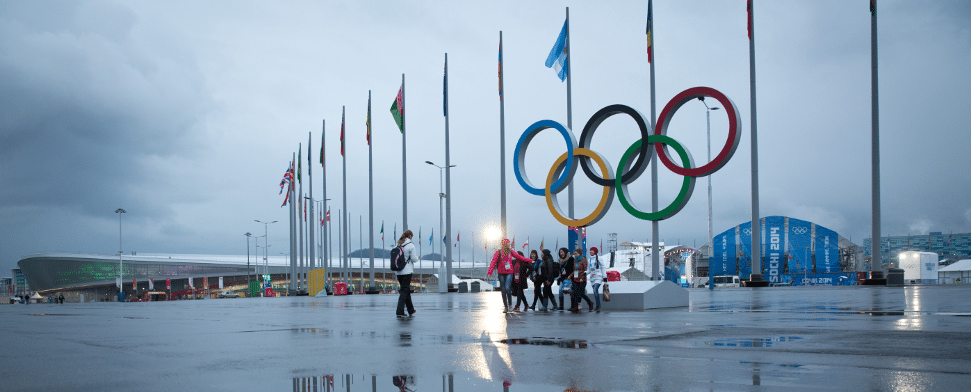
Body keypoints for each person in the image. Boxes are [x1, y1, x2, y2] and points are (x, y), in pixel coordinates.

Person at [487, 239, 533, 313]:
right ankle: (506, 306)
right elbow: (493, 262)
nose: (507, 246)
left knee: (507, 288)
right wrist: (489, 273)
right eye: (506, 244)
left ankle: (510, 305)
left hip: (509, 272)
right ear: (503, 245)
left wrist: (529, 260)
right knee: (503, 290)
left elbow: (520, 257)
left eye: (508, 244)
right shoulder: (498, 252)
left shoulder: (511, 252)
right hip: (501, 273)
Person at [394, 230, 419, 318]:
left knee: (406, 289)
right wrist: (417, 257)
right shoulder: (410, 245)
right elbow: (414, 259)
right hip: (407, 271)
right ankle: (399, 311)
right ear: (410, 236)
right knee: (404, 291)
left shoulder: (398, 244)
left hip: (398, 271)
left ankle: (411, 310)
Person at [588, 247, 606, 311]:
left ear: (595, 252)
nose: (590, 252)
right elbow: (588, 270)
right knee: (595, 292)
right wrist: (584, 273)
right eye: (590, 250)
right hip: (592, 278)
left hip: (598, 277)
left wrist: (604, 276)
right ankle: (597, 305)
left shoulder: (599, 258)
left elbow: (603, 267)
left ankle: (598, 306)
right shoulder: (589, 260)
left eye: (592, 250)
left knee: (595, 290)